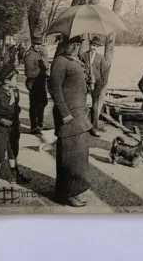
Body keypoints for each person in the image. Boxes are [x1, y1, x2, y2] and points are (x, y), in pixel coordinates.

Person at [48, 35, 92, 208]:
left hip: (80, 115)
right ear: (64, 44)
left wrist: (89, 81)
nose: (76, 47)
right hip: (69, 116)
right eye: (72, 43)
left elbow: (76, 85)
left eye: (78, 44)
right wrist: (65, 113)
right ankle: (67, 193)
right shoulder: (60, 61)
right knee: (69, 155)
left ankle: (72, 190)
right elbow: (54, 89)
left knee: (79, 155)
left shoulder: (75, 61)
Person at [0, 65, 32, 191]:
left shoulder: (15, 93)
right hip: (0, 128)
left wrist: (17, 113)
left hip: (14, 128)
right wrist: (1, 120)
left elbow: (16, 108)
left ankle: (15, 176)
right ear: (6, 81)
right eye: (15, 79)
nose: (17, 81)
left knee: (12, 152)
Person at [80, 35, 109, 137]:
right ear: (90, 44)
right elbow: (79, 69)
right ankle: (83, 126)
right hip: (84, 84)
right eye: (93, 45)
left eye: (96, 46)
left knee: (95, 107)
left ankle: (94, 128)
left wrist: (100, 85)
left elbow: (104, 74)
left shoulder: (101, 58)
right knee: (82, 106)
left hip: (96, 86)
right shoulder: (83, 55)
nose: (94, 47)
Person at [24, 36, 50, 134]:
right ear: (33, 44)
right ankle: (34, 126)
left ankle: (40, 123)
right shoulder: (30, 56)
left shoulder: (39, 54)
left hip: (41, 82)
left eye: (40, 44)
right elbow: (29, 74)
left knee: (42, 103)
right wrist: (43, 72)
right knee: (34, 105)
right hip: (34, 83)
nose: (39, 46)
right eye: (37, 44)